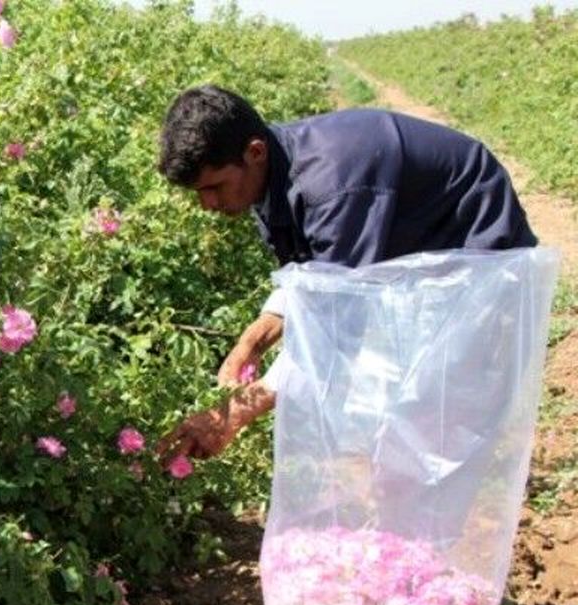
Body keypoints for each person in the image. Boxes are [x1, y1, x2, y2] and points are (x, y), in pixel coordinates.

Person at [153, 84, 538, 461]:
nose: (207, 204)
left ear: (254, 152)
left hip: (476, 246)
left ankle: (437, 509)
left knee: (439, 410)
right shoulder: (268, 172)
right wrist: (251, 342)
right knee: (395, 404)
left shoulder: (333, 185)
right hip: (417, 249)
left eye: (214, 187)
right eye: (198, 193)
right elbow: (309, 276)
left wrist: (235, 412)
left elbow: (332, 325)